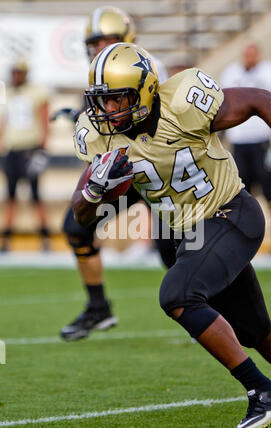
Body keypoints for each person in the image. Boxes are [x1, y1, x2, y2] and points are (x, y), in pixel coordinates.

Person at [71, 43, 271, 428]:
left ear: (144, 91)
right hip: (191, 232)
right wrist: (94, 191)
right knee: (258, 332)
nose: (107, 112)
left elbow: (260, 99)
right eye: (101, 102)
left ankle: (263, 391)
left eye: (117, 100)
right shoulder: (101, 137)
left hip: (231, 214)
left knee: (177, 293)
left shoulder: (182, 103)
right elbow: (80, 218)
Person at [54, 6, 173, 341]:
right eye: (95, 42)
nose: (98, 48)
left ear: (125, 38)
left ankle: (208, 308)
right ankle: (98, 308)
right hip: (123, 172)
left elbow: (141, 117)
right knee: (76, 227)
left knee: (171, 249)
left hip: (157, 171)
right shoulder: (101, 71)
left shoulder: (149, 66)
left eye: (106, 40)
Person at [220, 41, 271, 254]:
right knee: (241, 193)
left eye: (253, 54)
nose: (250, 58)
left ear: (258, 55)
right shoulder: (231, 73)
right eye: (247, 54)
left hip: (262, 142)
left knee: (269, 192)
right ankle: (243, 239)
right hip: (240, 143)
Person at [0, 58, 50, 252]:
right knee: (10, 196)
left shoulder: (36, 92)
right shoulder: (7, 93)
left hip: (30, 148)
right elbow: (4, 120)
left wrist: (42, 148)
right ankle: (7, 240)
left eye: (19, 73)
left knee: (36, 196)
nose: (16, 76)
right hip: (13, 149)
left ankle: (44, 238)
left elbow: (44, 118)